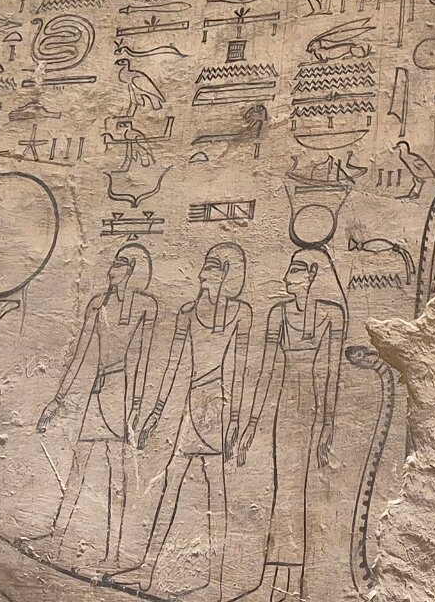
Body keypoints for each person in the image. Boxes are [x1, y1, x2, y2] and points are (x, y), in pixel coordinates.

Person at [131, 243, 252, 598]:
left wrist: (234, 421)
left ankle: (216, 582)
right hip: (193, 404)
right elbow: (172, 366)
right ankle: (147, 568)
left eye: (211, 267)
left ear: (226, 272)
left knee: (216, 491)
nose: (201, 274)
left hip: (217, 407)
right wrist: (155, 414)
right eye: (204, 267)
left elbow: (240, 370)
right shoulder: (187, 312)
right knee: (171, 483)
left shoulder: (241, 313)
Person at [35, 243, 161, 573]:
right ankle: (55, 539)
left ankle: (115, 553)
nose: (111, 271)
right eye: (112, 265)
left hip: (120, 392)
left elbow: (143, 359)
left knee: (116, 476)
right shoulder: (98, 304)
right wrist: (57, 400)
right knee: (79, 467)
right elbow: (79, 356)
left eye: (119, 265)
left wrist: (137, 407)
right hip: (98, 391)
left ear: (132, 271)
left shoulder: (145, 306)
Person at [238, 248, 348, 602]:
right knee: (283, 490)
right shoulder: (279, 313)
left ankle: (292, 585)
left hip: (309, 407)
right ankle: (274, 580)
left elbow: (332, 372)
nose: (287, 277)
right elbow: (267, 371)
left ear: (312, 275)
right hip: (285, 407)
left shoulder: (332, 314)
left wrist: (328, 424)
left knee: (296, 493)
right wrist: (252, 422)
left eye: (295, 271)